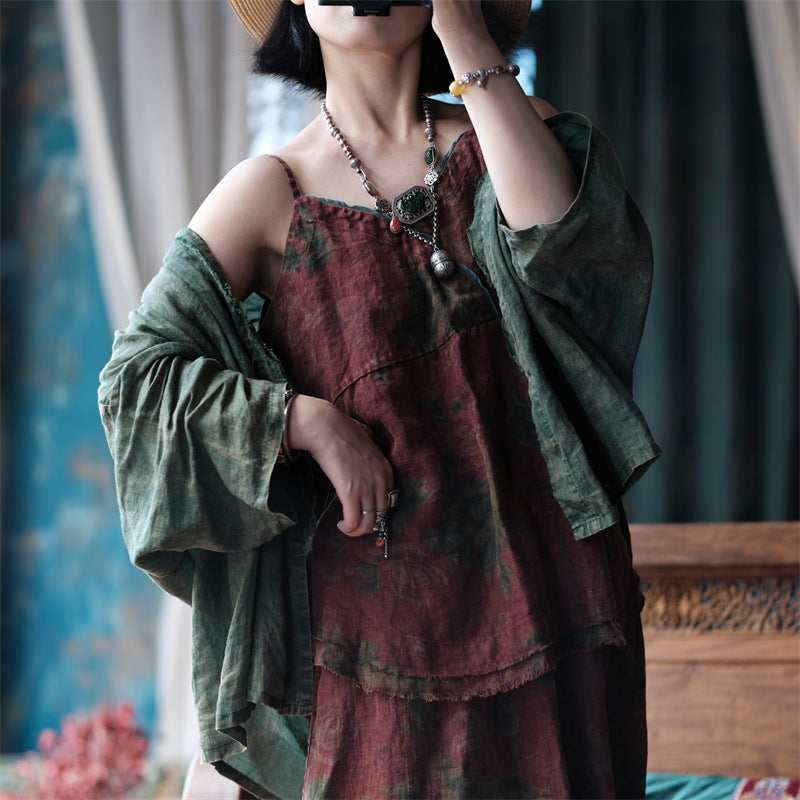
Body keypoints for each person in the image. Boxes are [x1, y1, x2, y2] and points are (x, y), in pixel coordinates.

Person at [99, 1, 661, 797]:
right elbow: (137, 382)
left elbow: (569, 257)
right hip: (375, 649)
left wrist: (464, 30)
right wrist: (299, 420)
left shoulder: (513, 128)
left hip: (558, 601)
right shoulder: (269, 192)